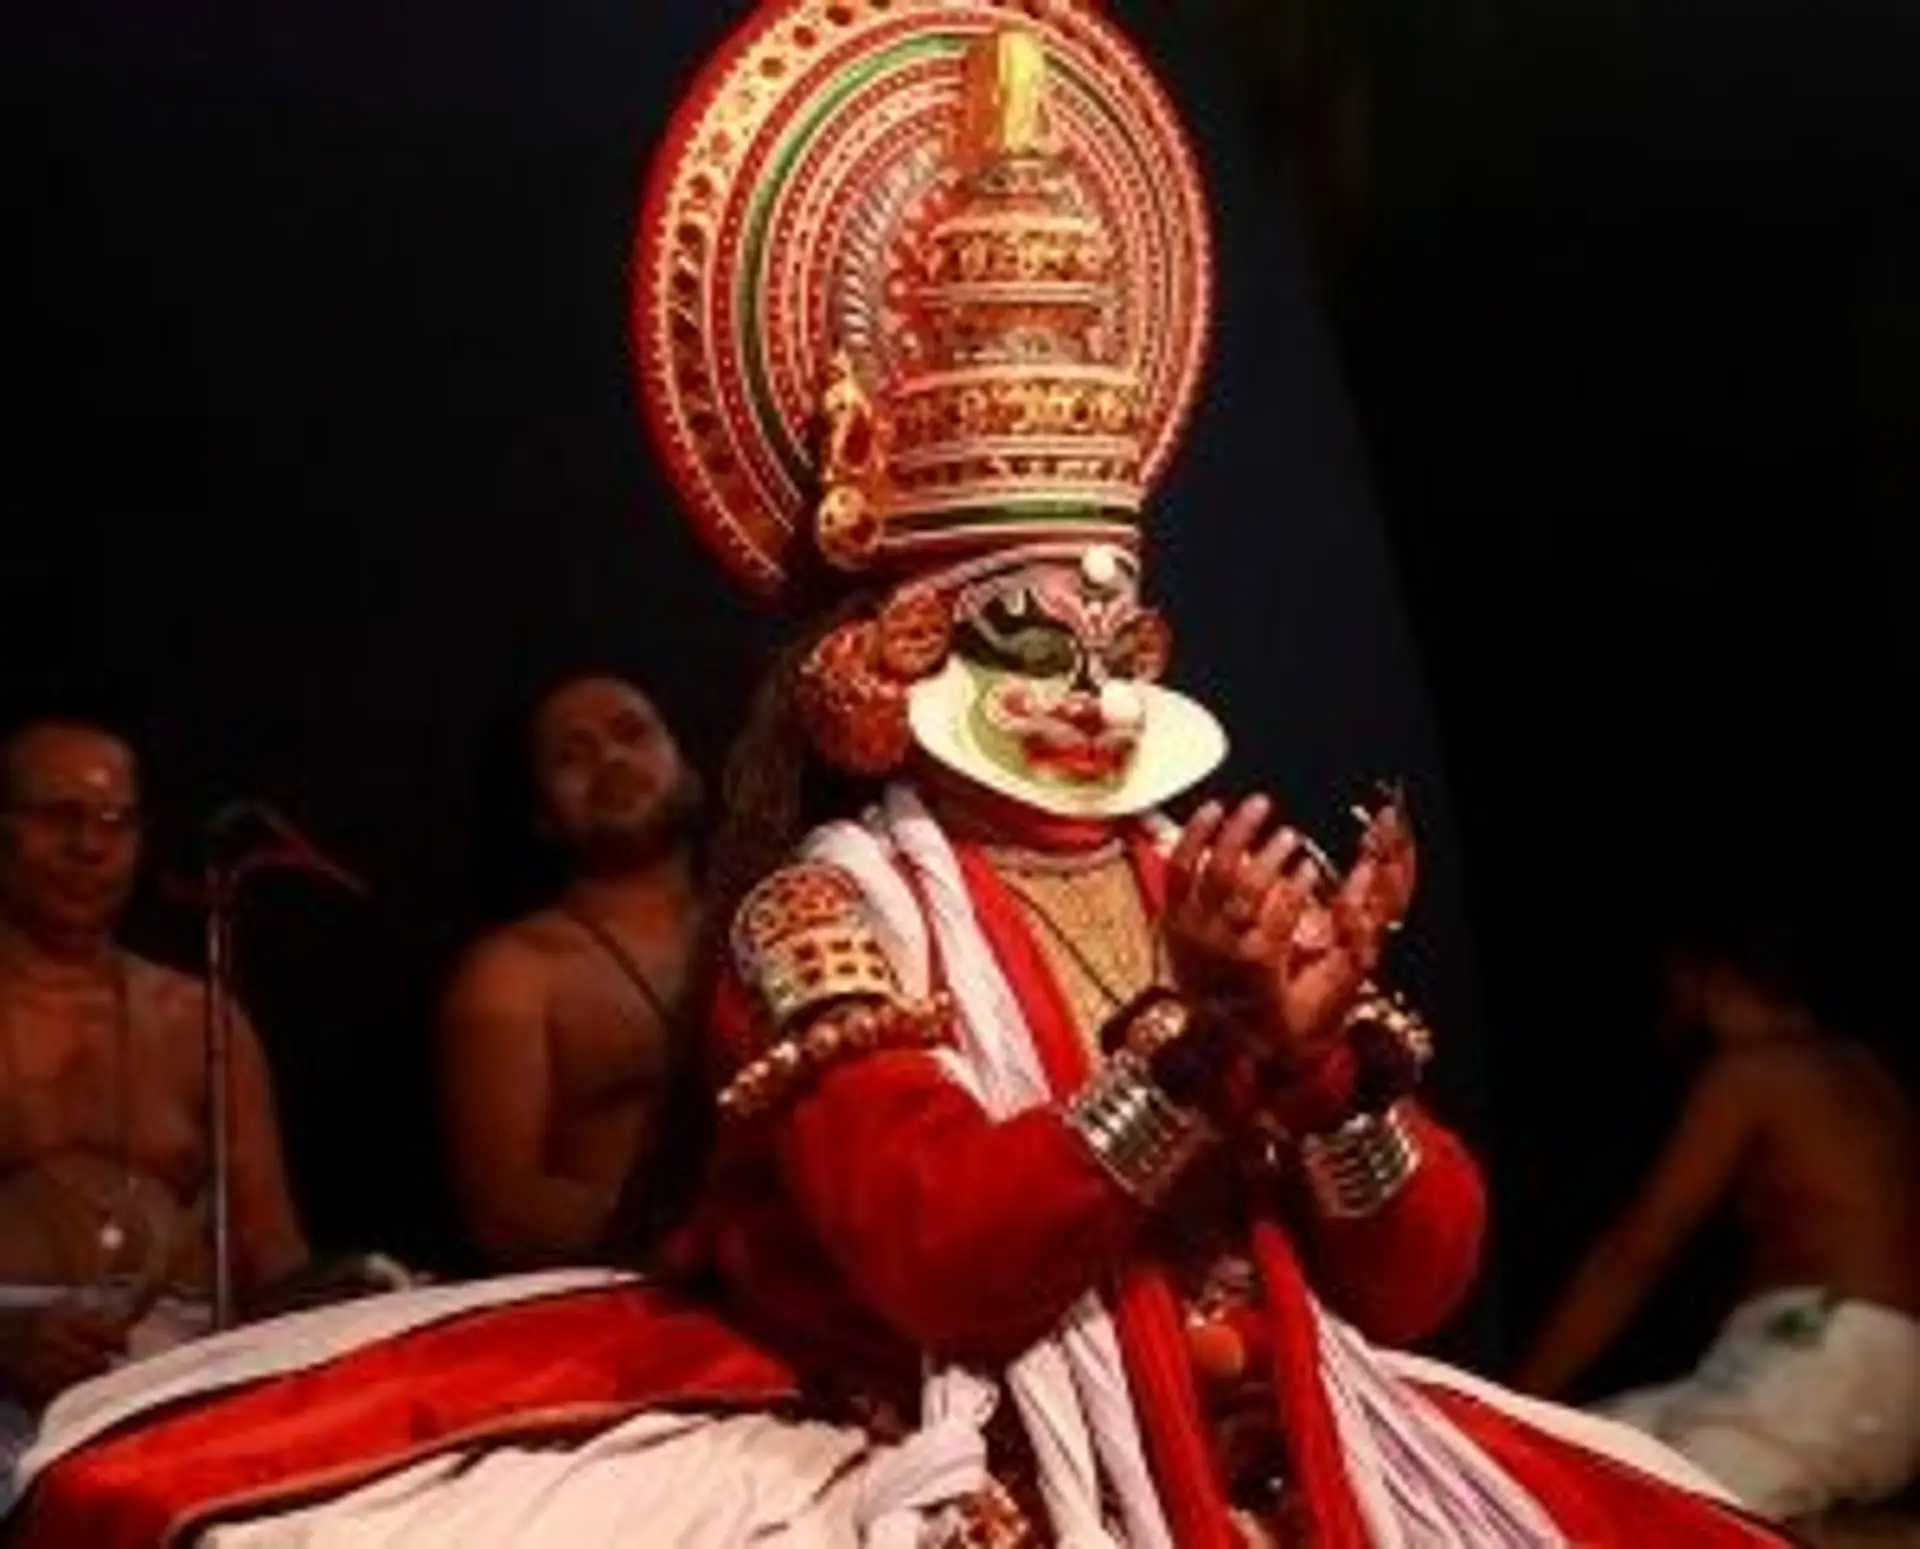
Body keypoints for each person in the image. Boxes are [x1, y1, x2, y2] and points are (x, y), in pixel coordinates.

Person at [0, 11, 1802, 1544]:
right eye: (1030, 627)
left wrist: (1318, 1059)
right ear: (902, 647)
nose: (1091, 680)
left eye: (1117, 626)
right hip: (942, 1435)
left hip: (1281, 1445)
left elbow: (1415, 1282)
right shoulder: (827, 905)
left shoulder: (1220, 879)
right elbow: (939, 1254)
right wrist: (1187, 1046)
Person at [1515, 918, 1920, 1519]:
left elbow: (1637, 1251)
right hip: (1849, 1368)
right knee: (1556, 1461)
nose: (1668, 1008)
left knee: (1631, 1518)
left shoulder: (1752, 1071)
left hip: (1828, 1361)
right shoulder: (1870, 1077)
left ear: (1714, 980)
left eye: (1677, 986)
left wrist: (1518, 1396)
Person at [0, 715, 309, 1411]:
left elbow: (271, 1247)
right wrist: (7, 1333)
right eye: (58, 816)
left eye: (115, 820)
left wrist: (350, 1292)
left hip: (186, 1372)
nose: (89, 845)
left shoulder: (198, 1017)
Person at [438, 675, 703, 1267]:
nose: (611, 759)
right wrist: (699, 1242)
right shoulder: (516, 972)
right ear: (544, 818)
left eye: (631, 733)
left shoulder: (769, 923)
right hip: (623, 1311)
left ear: (685, 763)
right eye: (571, 756)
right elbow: (501, 1208)